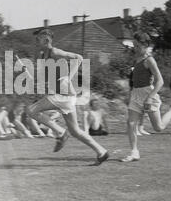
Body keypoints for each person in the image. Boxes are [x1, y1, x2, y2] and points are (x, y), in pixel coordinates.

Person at [25, 28, 109, 165]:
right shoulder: (42, 56)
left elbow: (79, 58)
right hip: (64, 97)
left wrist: (68, 77)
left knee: (30, 110)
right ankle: (102, 152)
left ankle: (60, 132)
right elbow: (42, 80)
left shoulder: (55, 52)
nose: (35, 41)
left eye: (38, 39)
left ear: (46, 40)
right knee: (75, 131)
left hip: (62, 95)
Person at [122, 33, 171, 163]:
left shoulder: (149, 60)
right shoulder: (136, 59)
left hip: (148, 94)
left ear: (145, 45)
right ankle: (134, 152)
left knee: (158, 128)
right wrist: (131, 94)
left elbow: (160, 81)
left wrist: (149, 97)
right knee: (130, 123)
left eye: (137, 45)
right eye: (134, 45)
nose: (134, 48)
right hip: (136, 94)